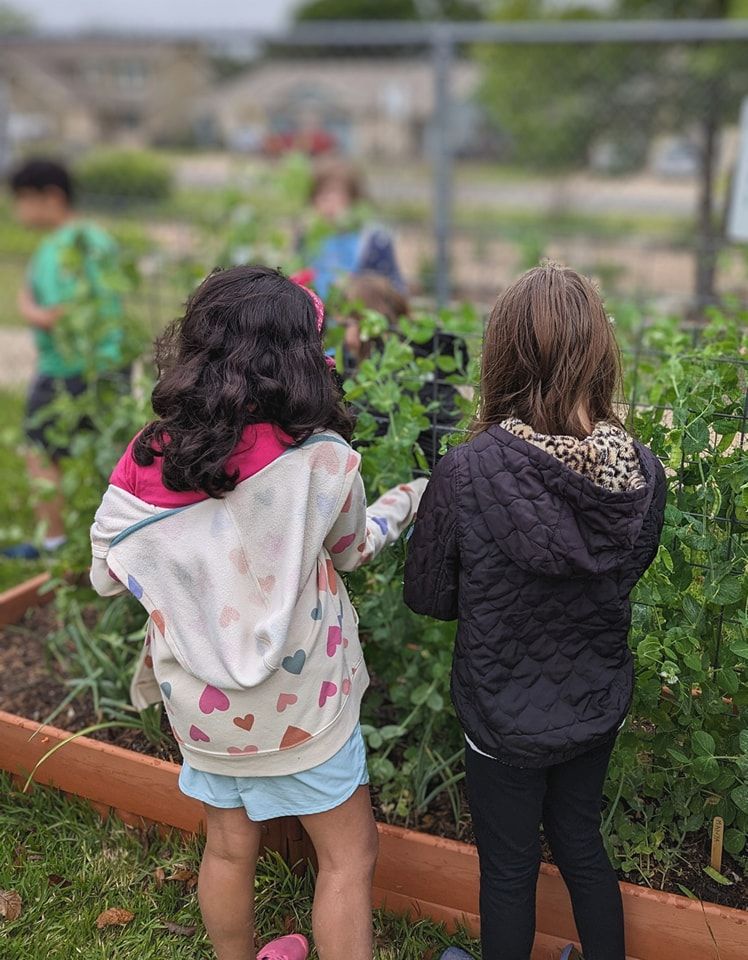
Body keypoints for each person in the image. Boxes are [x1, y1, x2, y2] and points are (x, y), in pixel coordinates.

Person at [89, 265, 426, 960]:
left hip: (204, 707)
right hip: (306, 702)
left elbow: (107, 568)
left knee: (228, 848)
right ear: (302, 360)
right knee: (348, 855)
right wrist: (409, 500)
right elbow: (353, 548)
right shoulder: (321, 459)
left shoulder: (148, 457)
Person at [403, 263, 667, 960]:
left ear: (503, 355)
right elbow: (625, 569)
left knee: (510, 866)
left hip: (502, 713)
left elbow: (429, 596)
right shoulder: (642, 471)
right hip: (593, 699)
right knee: (581, 839)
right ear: (599, 355)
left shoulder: (466, 470)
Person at [5, 159, 125, 559]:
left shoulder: (60, 247)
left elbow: (63, 311)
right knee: (109, 453)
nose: (16, 209)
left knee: (42, 453)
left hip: (66, 369)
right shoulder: (97, 237)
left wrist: (31, 312)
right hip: (111, 362)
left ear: (51, 198)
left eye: (21, 199)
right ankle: (114, 542)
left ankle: (54, 544)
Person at [342, 272, 468, 467]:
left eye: (349, 324)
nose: (345, 335)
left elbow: (358, 438)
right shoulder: (425, 352)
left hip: (425, 476)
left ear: (366, 325)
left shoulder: (385, 377)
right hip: (449, 470)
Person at [301, 156, 405, 301]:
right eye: (322, 195)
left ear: (354, 198)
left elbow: (395, 289)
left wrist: (359, 288)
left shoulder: (374, 239)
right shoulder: (307, 236)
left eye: (337, 194)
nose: (329, 203)